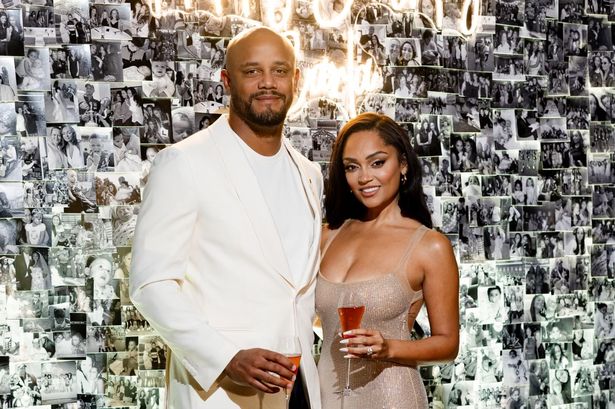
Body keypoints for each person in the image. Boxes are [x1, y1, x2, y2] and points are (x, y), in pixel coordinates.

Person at [129, 27, 323, 409]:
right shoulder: (183, 163)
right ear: (227, 80)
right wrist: (226, 357)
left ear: (296, 80)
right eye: (252, 71)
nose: (268, 83)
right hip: (220, 392)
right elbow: (150, 284)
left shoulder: (309, 174)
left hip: (299, 387)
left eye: (279, 71)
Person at [317, 113, 459, 408]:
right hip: (327, 396)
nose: (364, 177)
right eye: (352, 167)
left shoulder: (430, 246)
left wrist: (388, 347)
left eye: (377, 163)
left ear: (403, 164)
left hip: (392, 397)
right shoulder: (326, 236)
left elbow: (448, 344)